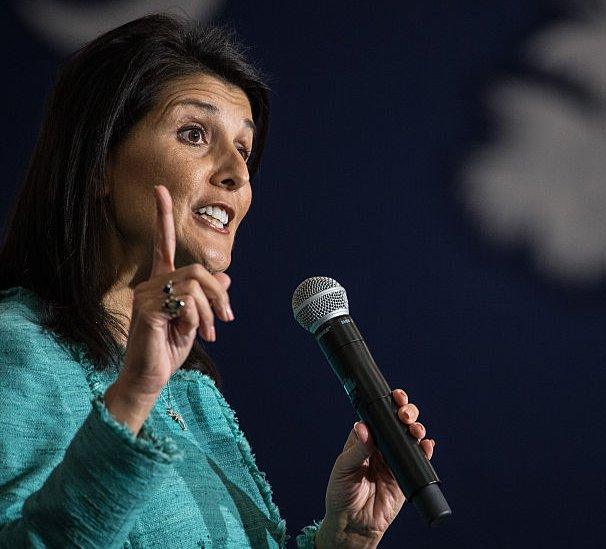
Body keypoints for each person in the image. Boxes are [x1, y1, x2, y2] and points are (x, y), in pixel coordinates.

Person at [0, 13, 435, 548]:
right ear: (99, 166)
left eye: (245, 150)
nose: (237, 172)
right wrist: (132, 395)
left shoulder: (193, 393)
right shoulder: (16, 354)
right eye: (194, 134)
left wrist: (342, 539)